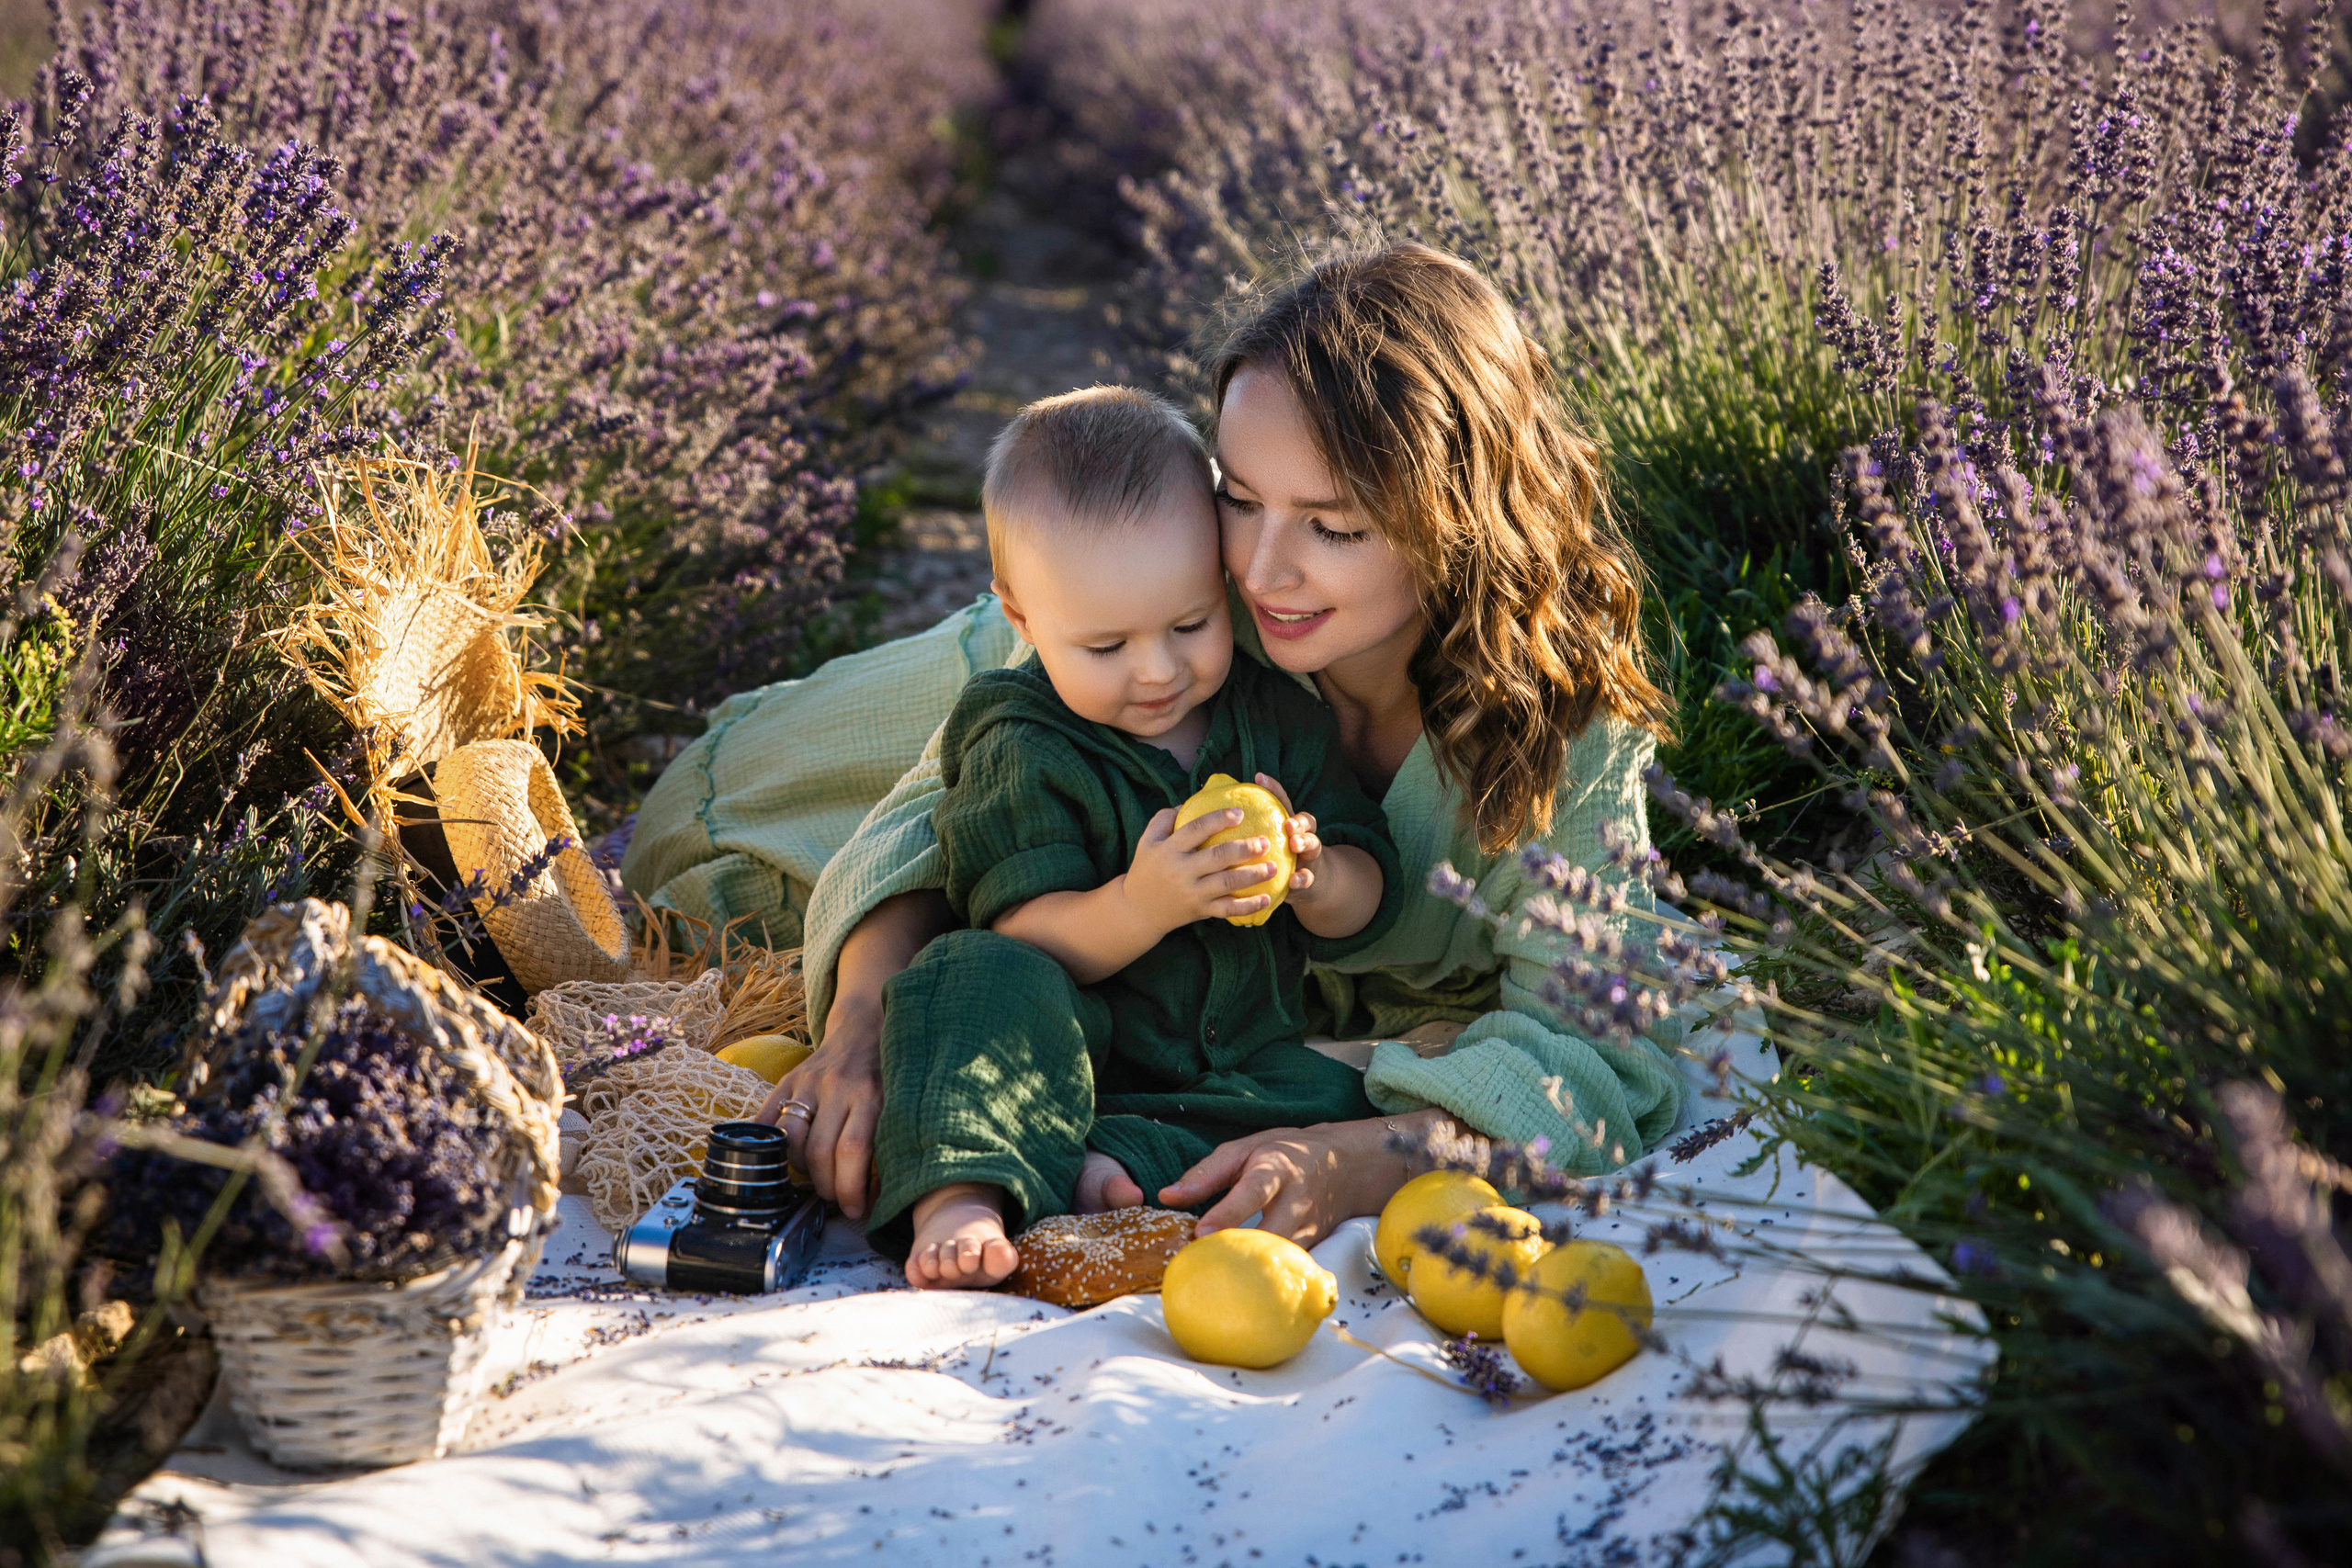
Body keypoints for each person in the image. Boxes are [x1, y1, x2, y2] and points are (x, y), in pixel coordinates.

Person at [620, 240, 1688, 1249]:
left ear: (1465, 518)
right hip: (1007, 681)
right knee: (713, 846)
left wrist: (1370, 1158)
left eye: (1336, 526)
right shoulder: (1180, 612)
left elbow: (1598, 1053)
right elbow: (921, 823)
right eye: (1237, 495)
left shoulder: (1566, 736)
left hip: (1202, 1007)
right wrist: (859, 1021)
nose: (1263, 571)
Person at [874, 386, 1398, 1289]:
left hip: (1237, 1067)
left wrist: (1313, 876)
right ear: (1022, 617)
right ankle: (962, 1193)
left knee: (1350, 1096)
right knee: (961, 982)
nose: (1157, 671)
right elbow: (1022, 933)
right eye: (1106, 646)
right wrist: (1140, 904)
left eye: (1191, 625)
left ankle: (1093, 1172)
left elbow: (1367, 894)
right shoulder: (1022, 739)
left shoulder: (1273, 715)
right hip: (1070, 1051)